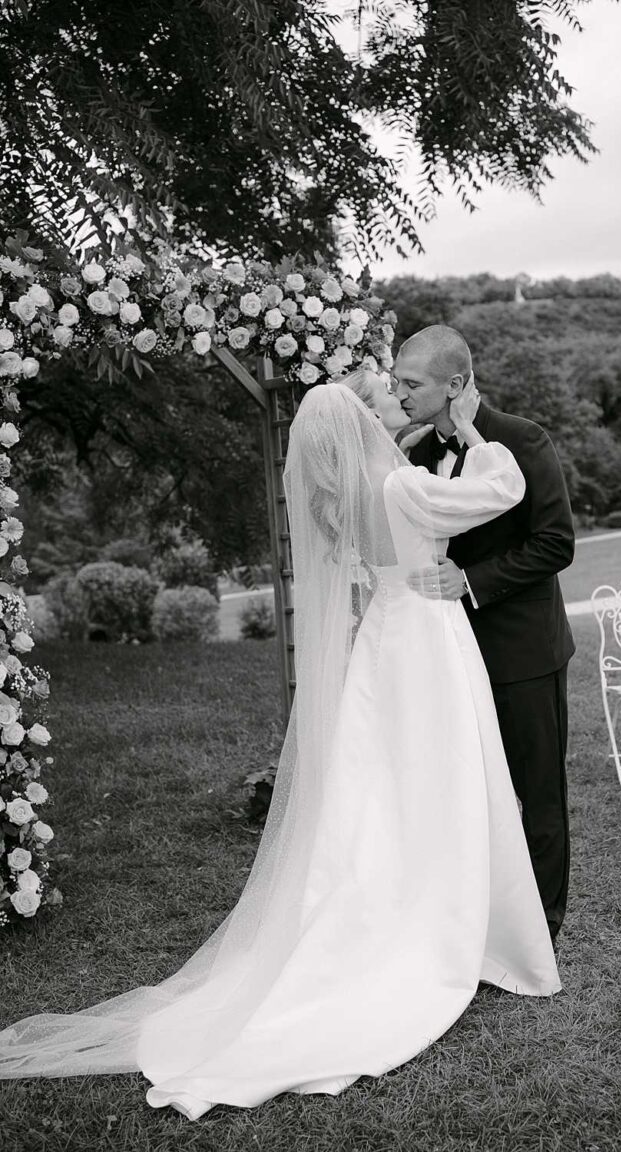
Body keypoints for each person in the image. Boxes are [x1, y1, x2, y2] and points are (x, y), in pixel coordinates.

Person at [0, 378, 559, 1119]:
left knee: (385, 792)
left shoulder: (343, 503)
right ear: (357, 428)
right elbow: (502, 487)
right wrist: (472, 430)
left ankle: (407, 900)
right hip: (427, 639)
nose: (383, 408)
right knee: (444, 778)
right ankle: (445, 920)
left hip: (384, 644)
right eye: (372, 406)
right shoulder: (398, 486)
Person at [395, 325, 575, 943]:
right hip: (451, 656)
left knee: (538, 793)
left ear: (455, 384)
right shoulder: (415, 456)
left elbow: (556, 544)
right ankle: (480, 916)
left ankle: (542, 925)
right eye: (396, 382)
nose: (400, 394)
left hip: (525, 652)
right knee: (471, 794)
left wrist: (470, 579)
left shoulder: (523, 439)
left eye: (411, 383)